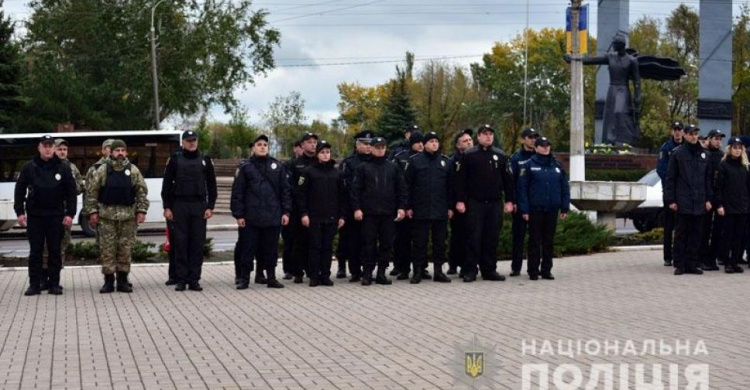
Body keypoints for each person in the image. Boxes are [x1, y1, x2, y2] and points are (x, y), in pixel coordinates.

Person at [14, 135, 77, 296]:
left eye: (50, 146)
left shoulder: (63, 167)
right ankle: (34, 284)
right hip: (35, 216)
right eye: (45, 146)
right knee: (36, 251)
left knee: (55, 251)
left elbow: (71, 192)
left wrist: (70, 213)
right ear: (39, 148)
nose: (48, 149)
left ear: (54, 149)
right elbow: (20, 189)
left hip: (56, 216)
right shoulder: (29, 167)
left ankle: (54, 284)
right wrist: (20, 212)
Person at [84, 139, 149, 293]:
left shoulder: (133, 170)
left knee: (125, 249)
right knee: (107, 249)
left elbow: (141, 192)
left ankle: (123, 280)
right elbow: (92, 193)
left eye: (122, 150)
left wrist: (141, 211)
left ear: (126, 152)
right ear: (111, 152)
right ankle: (108, 281)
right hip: (106, 218)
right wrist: (92, 212)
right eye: (116, 150)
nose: (120, 153)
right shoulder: (102, 170)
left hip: (127, 218)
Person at [231, 135, 291, 289]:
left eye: (265, 144)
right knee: (248, 249)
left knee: (271, 249)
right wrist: (239, 214)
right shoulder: (246, 167)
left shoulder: (277, 166)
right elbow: (238, 193)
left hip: (272, 215)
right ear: (253, 148)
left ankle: (271, 277)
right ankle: (244, 278)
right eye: (259, 144)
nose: (263, 147)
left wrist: (286, 212)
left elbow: (285, 191)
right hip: (251, 217)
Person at [455, 124, 514, 282]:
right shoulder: (469, 155)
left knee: (491, 237)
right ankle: (470, 270)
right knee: (473, 237)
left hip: (494, 203)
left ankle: (489, 270)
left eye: (490, 134)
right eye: (485, 134)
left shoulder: (500, 155)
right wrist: (460, 200)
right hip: (475, 202)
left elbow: (508, 180)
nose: (488, 136)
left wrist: (509, 200)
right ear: (478, 137)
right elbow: (461, 180)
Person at [161, 130, 218, 290]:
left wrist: (210, 206)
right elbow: (166, 186)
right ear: (183, 143)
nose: (192, 143)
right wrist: (167, 206)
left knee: (197, 244)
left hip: (198, 206)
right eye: (188, 140)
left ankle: (194, 279)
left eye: (194, 140)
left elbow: (212, 185)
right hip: (180, 205)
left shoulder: (205, 160)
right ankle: (181, 279)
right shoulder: (175, 160)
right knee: (180, 243)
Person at [350, 137, 408, 286]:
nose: (380, 149)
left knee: (386, 244)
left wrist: (401, 207)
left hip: (388, 212)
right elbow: (355, 190)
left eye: (383, 147)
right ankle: (368, 273)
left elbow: (401, 188)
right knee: (368, 244)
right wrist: (357, 208)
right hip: (369, 213)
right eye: (377, 147)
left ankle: (382, 272)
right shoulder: (363, 167)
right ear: (372, 148)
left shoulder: (393, 167)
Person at [516, 137, 570, 280]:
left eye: (548, 145)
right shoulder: (528, 165)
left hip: (552, 208)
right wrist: (524, 210)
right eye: (542, 145)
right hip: (535, 209)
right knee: (534, 240)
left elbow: (564, 187)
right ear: (536, 148)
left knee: (548, 241)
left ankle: (546, 270)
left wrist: (564, 207)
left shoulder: (557, 166)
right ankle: (533, 270)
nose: (545, 148)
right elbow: (522, 190)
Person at [573, 33, 642, 145]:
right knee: (610, 115)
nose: (613, 46)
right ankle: (610, 141)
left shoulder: (631, 60)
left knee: (619, 112)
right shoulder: (610, 57)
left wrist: (638, 95)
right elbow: (592, 59)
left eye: (615, 44)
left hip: (623, 89)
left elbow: (637, 80)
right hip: (612, 89)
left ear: (621, 45)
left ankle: (624, 139)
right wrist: (574, 58)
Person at [663, 124, 713, 276]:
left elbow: (708, 180)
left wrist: (709, 199)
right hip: (683, 201)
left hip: (699, 201)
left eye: (696, 134)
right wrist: (671, 200)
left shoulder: (704, 154)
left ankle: (692, 263)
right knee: (681, 234)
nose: (693, 136)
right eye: (691, 134)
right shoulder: (677, 154)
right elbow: (670, 178)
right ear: (685, 135)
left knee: (696, 235)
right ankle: (680, 264)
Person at [404, 132, 453, 283]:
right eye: (431, 141)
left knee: (440, 242)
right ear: (424, 144)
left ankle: (438, 271)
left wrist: (450, 207)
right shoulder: (415, 161)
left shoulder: (445, 161)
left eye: (436, 141)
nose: (434, 144)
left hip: (440, 208)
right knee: (420, 242)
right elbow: (408, 186)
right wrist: (408, 206)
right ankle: (418, 271)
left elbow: (451, 187)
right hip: (421, 208)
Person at [297, 140, 347, 286]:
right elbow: (302, 195)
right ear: (317, 154)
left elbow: (343, 196)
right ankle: (314, 275)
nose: (326, 155)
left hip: (331, 217)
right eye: (323, 152)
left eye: (328, 152)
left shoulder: (337, 173)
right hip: (314, 217)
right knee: (315, 247)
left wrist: (342, 215)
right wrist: (304, 214)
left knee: (327, 248)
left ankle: (325, 275)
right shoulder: (308, 172)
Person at [38, 138, 84, 291]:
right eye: (59, 149)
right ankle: (43, 278)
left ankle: (54, 278)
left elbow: (79, 186)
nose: (62, 152)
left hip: (64, 213)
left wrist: (67, 187)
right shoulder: (45, 166)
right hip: (48, 212)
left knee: (60, 247)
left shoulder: (71, 168)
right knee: (44, 247)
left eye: (65, 149)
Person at [336, 130, 373, 281]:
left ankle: (367, 269)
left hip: (371, 208)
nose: (368, 147)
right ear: (357, 145)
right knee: (351, 241)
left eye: (370, 144)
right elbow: (346, 186)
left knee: (368, 241)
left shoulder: (376, 160)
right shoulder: (349, 163)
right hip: (352, 207)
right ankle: (351, 269)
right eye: (365, 144)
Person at [713, 137, 750, 274]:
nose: (737, 150)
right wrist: (719, 205)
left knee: (738, 237)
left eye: (739, 148)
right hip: (728, 207)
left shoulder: (744, 167)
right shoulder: (723, 165)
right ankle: (727, 262)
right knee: (727, 237)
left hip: (742, 207)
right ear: (729, 149)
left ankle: (735, 262)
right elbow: (718, 187)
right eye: (734, 147)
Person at [286, 132, 318, 284]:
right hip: (298, 209)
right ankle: (298, 272)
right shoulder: (295, 164)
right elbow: (290, 186)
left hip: (317, 208)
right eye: (309, 142)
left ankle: (313, 270)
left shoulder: (319, 162)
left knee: (315, 242)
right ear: (303, 145)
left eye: (314, 142)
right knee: (299, 241)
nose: (313, 144)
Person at [392, 130, 424, 279]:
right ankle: (402, 268)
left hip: (420, 205)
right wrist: (402, 205)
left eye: (422, 142)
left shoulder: (427, 158)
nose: (421, 145)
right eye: (417, 142)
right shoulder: (400, 158)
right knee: (402, 238)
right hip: (404, 204)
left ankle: (421, 267)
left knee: (420, 239)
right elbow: (397, 182)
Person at [508, 127, 539, 277]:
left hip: (535, 203)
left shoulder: (540, 156)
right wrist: (512, 201)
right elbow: (511, 182)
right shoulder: (516, 158)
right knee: (518, 237)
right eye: (530, 137)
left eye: (535, 137)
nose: (533, 140)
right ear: (523, 139)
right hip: (520, 203)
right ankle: (516, 267)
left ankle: (534, 267)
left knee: (535, 237)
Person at [656, 121, 684, 267]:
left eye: (680, 129)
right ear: (672, 131)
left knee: (683, 225)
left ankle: (681, 254)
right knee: (669, 226)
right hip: (670, 193)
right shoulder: (666, 148)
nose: (678, 132)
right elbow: (662, 170)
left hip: (684, 193)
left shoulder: (687, 147)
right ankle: (668, 256)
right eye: (675, 129)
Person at [447, 128, 474, 276]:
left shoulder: (476, 157)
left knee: (471, 235)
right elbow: (450, 184)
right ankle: (453, 264)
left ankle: (467, 265)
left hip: (473, 203)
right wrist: (452, 205)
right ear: (458, 145)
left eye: (470, 140)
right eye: (465, 141)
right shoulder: (453, 161)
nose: (469, 142)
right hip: (457, 204)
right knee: (457, 235)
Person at [699, 129, 725, 271]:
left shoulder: (722, 156)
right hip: (707, 198)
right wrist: (707, 198)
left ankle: (712, 258)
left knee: (718, 231)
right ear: (709, 139)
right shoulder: (704, 155)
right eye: (716, 138)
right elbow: (705, 178)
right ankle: (702, 259)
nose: (718, 141)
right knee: (705, 230)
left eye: (720, 139)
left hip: (719, 197)